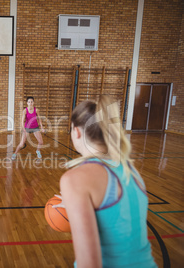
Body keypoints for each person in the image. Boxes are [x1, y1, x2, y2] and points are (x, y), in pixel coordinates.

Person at [55, 96, 157, 267]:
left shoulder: (74, 180)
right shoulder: (129, 169)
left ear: (76, 131)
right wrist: (79, 203)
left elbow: (89, 264)